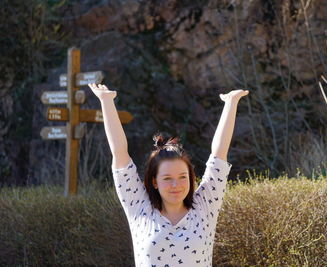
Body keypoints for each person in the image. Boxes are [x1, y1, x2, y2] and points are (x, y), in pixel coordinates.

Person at [88, 83, 249, 267]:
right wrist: (106, 101)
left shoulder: (204, 208)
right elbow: (119, 153)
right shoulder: (140, 208)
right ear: (154, 182)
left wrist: (231, 103)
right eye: (167, 178)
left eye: (182, 177)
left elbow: (219, 155)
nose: (176, 184)